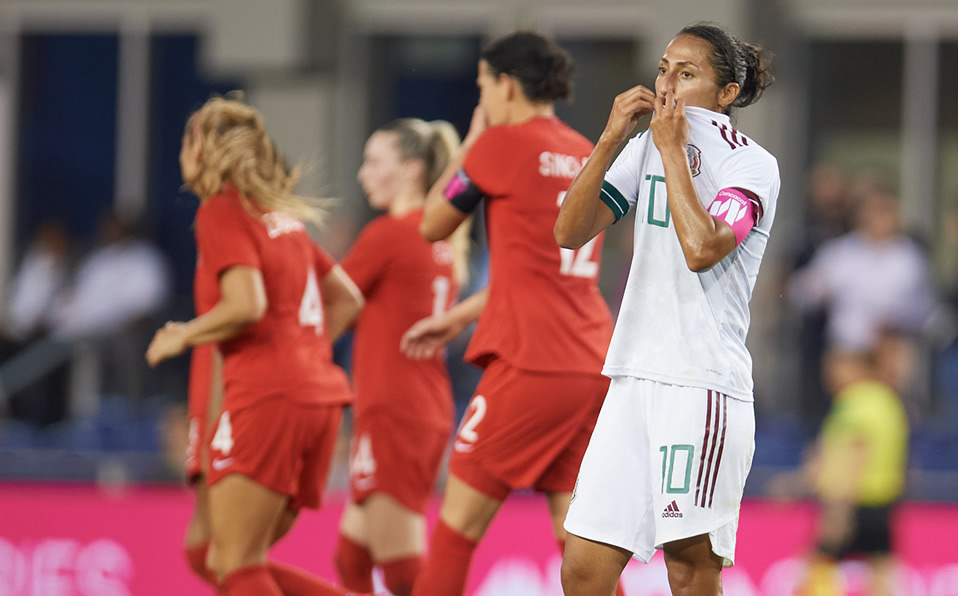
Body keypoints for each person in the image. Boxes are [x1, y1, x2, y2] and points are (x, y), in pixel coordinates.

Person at [554, 22, 778, 595]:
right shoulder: (641, 147)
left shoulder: (750, 165)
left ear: (727, 94)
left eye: (687, 73)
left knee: (688, 567)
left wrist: (674, 149)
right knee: (582, 568)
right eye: (662, 70)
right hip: (631, 378)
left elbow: (704, 249)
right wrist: (608, 141)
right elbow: (569, 231)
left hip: (700, 383)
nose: (668, 86)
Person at [401, 32, 619, 596]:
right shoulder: (582, 148)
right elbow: (541, 269)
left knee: (455, 532)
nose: (483, 99)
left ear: (504, 83)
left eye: (482, 86)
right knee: (578, 549)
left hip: (531, 364)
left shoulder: (499, 145)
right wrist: (464, 314)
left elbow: (431, 225)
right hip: (593, 362)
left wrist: (471, 140)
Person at [145, 96, 365, 596]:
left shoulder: (221, 210)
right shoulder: (280, 218)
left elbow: (246, 305)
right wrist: (303, 358)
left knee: (236, 564)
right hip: (316, 399)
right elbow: (346, 300)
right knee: (217, 557)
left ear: (201, 148)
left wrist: (183, 332)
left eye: (187, 138)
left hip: (267, 398)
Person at [333, 118, 468, 596]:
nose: (362, 174)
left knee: (403, 575)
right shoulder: (439, 238)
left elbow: (322, 312)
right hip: (415, 408)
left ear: (411, 170)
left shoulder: (388, 235)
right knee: (351, 561)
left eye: (373, 162)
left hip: (395, 411)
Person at [789, 348, 908, 596]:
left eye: (836, 367)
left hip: (852, 503)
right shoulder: (888, 401)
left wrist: (839, 509)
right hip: (883, 503)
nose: (829, 375)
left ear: (857, 367)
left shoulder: (854, 402)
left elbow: (855, 454)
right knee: (881, 572)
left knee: (817, 568)